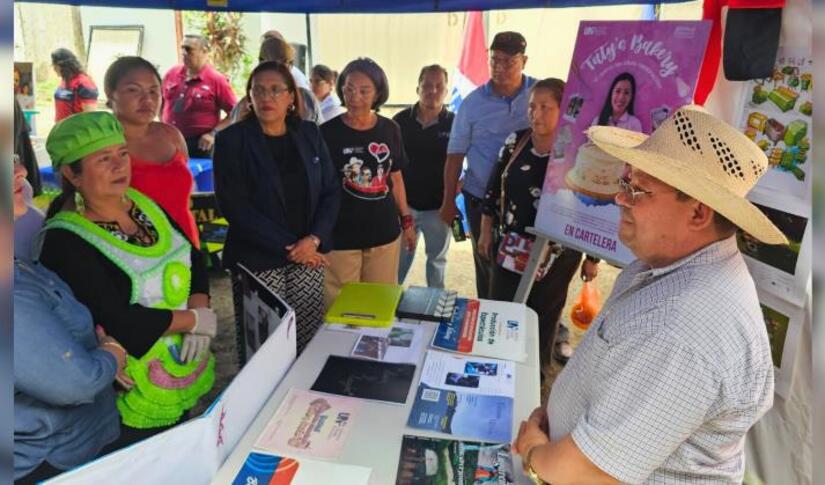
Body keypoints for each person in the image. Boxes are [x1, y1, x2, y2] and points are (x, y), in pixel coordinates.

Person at [513, 105, 786, 484]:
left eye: (638, 189)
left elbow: (588, 475)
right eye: (626, 182)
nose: (621, 199)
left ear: (698, 214)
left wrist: (532, 450)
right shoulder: (666, 266)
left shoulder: (683, 328)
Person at [39, 112, 217, 442]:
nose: (120, 166)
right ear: (71, 174)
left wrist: (200, 306)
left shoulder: (142, 204)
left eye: (122, 154)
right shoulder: (64, 240)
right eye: (103, 159)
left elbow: (191, 255)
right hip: (128, 392)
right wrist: (193, 319)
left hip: (180, 366)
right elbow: (116, 317)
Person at [214, 61, 340, 361]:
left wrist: (314, 240)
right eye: (258, 90)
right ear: (249, 97)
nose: (266, 97)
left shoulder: (309, 133)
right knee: (265, 346)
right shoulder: (232, 140)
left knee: (307, 335)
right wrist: (294, 248)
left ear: (291, 98)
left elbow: (331, 189)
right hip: (259, 258)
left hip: (308, 253)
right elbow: (235, 206)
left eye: (275, 90)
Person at [13, 156, 127, 484]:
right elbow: (77, 381)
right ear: (72, 175)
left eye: (16, 159)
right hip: (49, 460)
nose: (20, 171)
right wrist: (112, 354)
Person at [478, 78, 599, 370]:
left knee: (544, 315)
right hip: (511, 247)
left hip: (558, 253)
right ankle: (498, 369)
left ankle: (535, 375)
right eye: (532, 106)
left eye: (546, 107)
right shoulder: (515, 141)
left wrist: (592, 258)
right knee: (504, 310)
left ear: (563, 109)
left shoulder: (577, 150)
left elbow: (592, 205)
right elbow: (494, 190)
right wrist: (484, 232)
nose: (536, 114)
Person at [439, 31, 536, 299]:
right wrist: (449, 201)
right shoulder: (472, 103)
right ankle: (488, 321)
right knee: (488, 263)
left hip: (528, 202)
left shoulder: (538, 94)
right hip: (480, 198)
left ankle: (530, 326)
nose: (500, 68)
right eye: (495, 61)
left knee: (529, 268)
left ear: (524, 61)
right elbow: (455, 156)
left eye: (509, 62)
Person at [321, 57, 416, 309]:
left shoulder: (390, 129)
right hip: (340, 235)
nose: (355, 96)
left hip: (383, 233)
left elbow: (395, 176)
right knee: (340, 307)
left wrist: (406, 219)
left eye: (364, 91)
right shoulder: (327, 132)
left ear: (377, 94)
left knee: (379, 304)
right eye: (349, 88)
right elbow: (320, 186)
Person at [105, 56, 200, 247]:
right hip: (134, 252)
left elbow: (186, 196)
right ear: (110, 93)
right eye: (133, 90)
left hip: (185, 244)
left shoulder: (171, 135)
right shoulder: (103, 144)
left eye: (154, 91)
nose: (147, 99)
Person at [394, 64, 454, 288]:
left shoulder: (455, 123)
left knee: (437, 260)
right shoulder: (400, 121)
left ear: (446, 91)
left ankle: (435, 305)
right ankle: (391, 302)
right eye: (427, 85)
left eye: (439, 86)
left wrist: (454, 193)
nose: (433, 91)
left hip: (438, 208)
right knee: (398, 261)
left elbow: (467, 163)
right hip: (405, 206)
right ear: (417, 88)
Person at [162, 34, 237, 158]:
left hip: (200, 145)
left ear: (204, 52)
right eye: (182, 48)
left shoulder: (216, 80)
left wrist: (213, 134)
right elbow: (160, 101)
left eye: (189, 49)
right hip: (170, 142)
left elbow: (235, 112)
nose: (184, 53)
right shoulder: (172, 74)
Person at [227, 37, 322, 125]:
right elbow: (322, 136)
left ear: (260, 61)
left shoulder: (245, 104)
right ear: (290, 65)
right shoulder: (307, 99)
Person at [51, 48, 99, 122]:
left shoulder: (84, 83)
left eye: (55, 65)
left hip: (76, 132)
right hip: (62, 130)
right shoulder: (66, 80)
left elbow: (90, 116)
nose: (54, 68)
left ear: (64, 65)